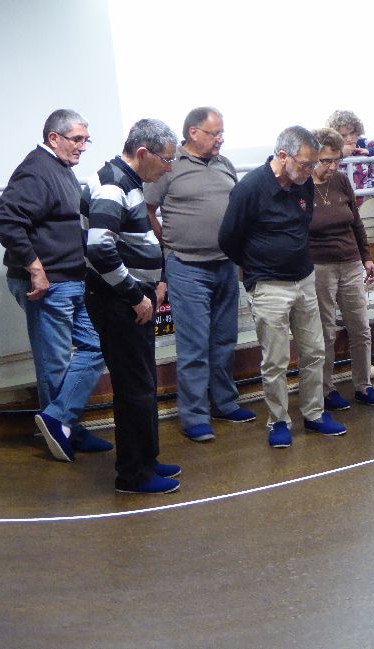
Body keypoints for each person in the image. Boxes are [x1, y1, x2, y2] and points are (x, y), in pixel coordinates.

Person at [0, 109, 111, 462]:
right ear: (54, 138)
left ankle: (62, 421)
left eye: (86, 140)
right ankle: (61, 430)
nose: (83, 146)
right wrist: (36, 270)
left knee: (95, 347)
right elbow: (6, 221)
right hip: (50, 284)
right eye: (77, 139)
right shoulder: (36, 170)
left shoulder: (61, 168)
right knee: (55, 363)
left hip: (70, 279)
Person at [218, 126, 346, 448]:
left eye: (313, 164)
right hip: (268, 286)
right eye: (304, 164)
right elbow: (228, 238)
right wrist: (256, 268)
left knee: (314, 351)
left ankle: (314, 414)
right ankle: (278, 421)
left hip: (304, 280)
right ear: (283, 155)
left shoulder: (303, 185)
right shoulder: (249, 189)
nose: (309, 171)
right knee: (275, 360)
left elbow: (302, 224)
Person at [144, 107, 256, 443]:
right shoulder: (170, 166)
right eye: (214, 133)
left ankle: (224, 403)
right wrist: (167, 243)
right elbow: (148, 208)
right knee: (193, 345)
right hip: (187, 267)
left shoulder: (224, 165)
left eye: (221, 132)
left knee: (224, 340)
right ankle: (194, 416)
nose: (220, 139)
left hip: (225, 265)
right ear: (193, 132)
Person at [83, 119, 182, 494]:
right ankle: (133, 474)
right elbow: (99, 249)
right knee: (134, 387)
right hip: (119, 303)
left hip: (133, 298)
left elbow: (132, 241)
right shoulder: (112, 185)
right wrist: (135, 295)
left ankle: (147, 459)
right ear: (143, 153)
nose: (168, 168)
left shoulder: (128, 180)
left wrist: (155, 281)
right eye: (166, 159)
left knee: (143, 382)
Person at [309, 127, 374, 411]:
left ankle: (363, 385)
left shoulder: (342, 180)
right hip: (320, 266)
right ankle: (326, 389)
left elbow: (356, 222)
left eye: (336, 160)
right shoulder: (302, 186)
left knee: (360, 328)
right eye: (326, 161)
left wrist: (367, 257)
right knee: (325, 332)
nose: (332, 167)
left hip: (351, 262)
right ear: (312, 157)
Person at [326, 109, 374, 206]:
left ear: (358, 132)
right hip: (339, 203)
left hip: (366, 202)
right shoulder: (329, 149)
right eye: (343, 135)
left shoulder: (363, 143)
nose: (349, 139)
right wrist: (340, 154)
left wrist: (369, 152)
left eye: (352, 133)